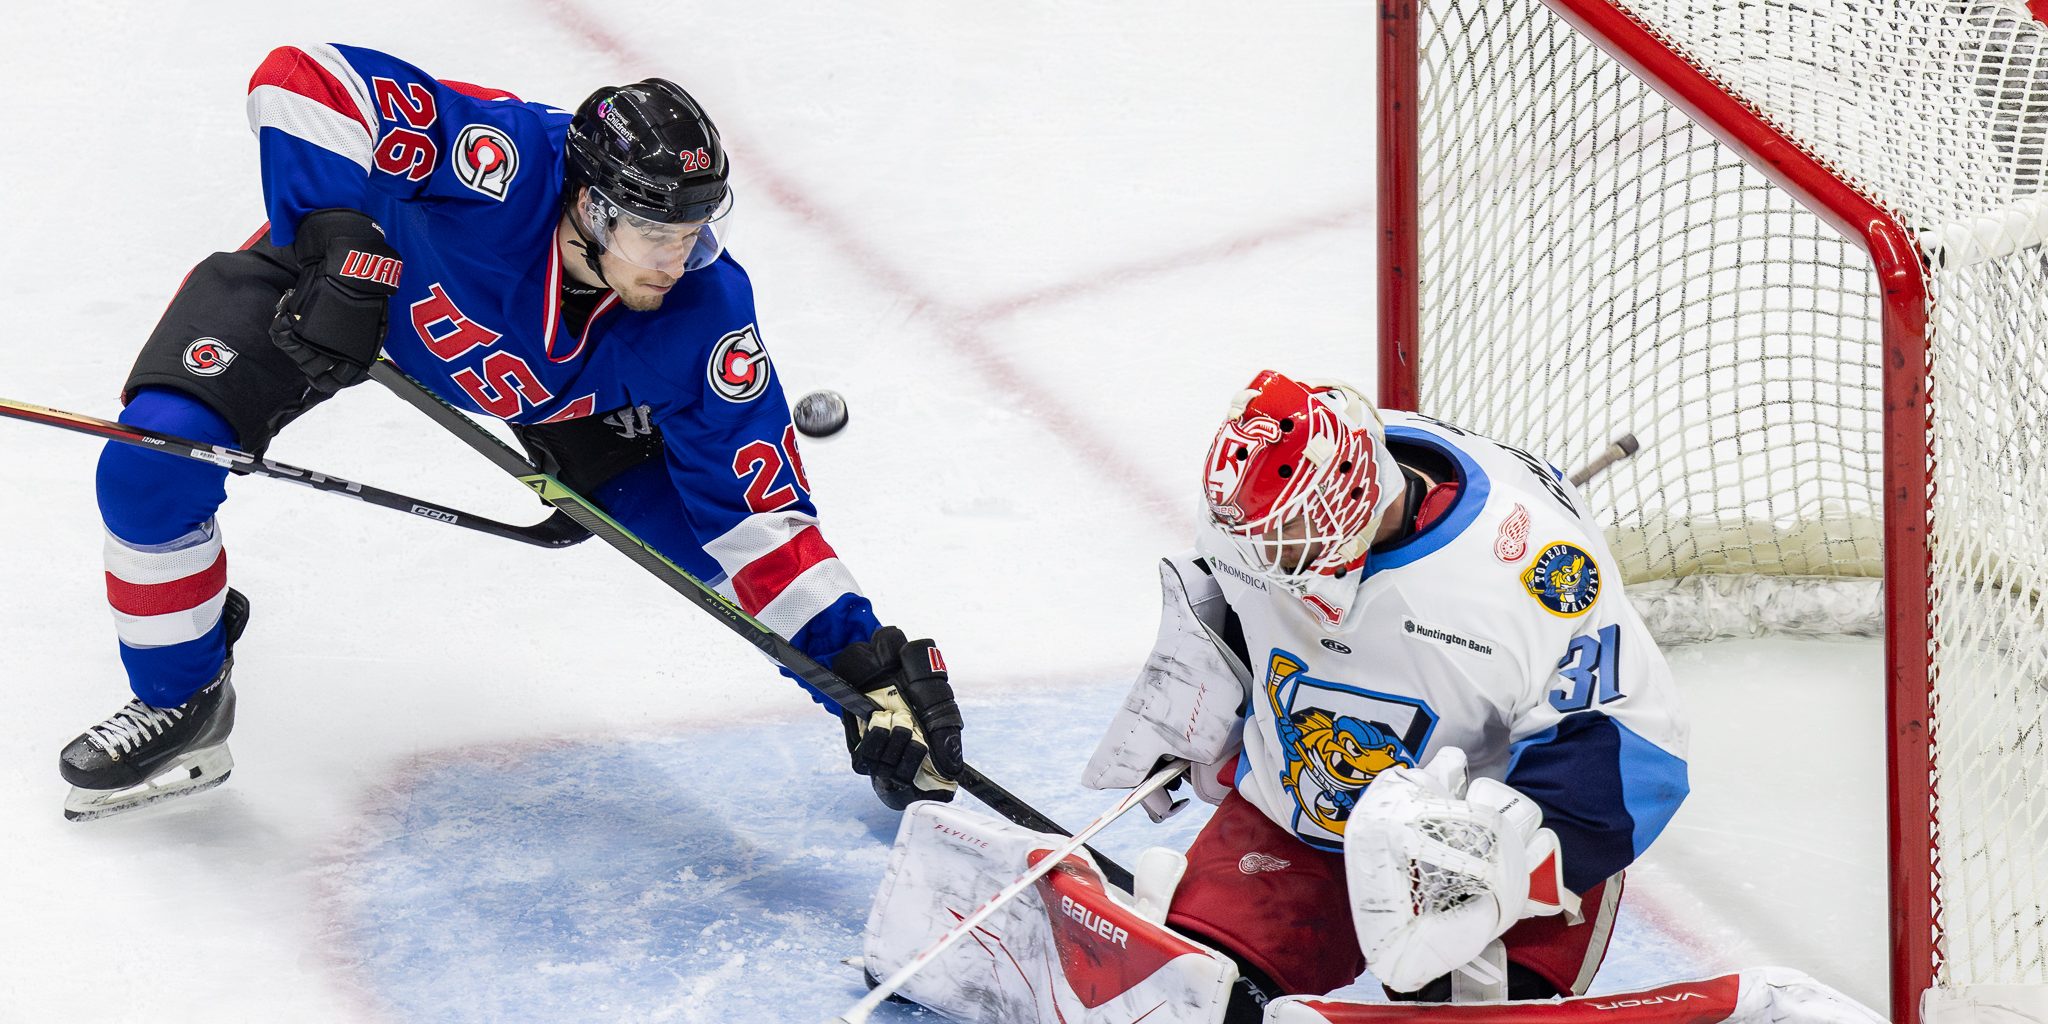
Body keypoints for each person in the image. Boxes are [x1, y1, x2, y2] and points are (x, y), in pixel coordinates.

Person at [59, 43, 963, 821]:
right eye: (657, 230)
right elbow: (308, 78)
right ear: (593, 206)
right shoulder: (500, 161)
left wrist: (856, 669)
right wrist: (340, 239)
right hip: (348, 296)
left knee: (704, 540)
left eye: (694, 227)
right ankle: (183, 702)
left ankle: (869, 700)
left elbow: (755, 516)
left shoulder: (701, 311)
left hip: (559, 395)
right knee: (150, 466)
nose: (680, 255)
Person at [1082, 370, 1690, 1015]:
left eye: (1286, 537)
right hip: (1299, 814)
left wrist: (1506, 867)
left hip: (1478, 841)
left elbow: (1632, 750)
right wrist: (1199, 697)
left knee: (1464, 1008)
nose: (1262, 557)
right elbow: (1232, 602)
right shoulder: (1254, 522)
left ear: (1349, 499)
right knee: (1196, 1000)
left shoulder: (1536, 573)